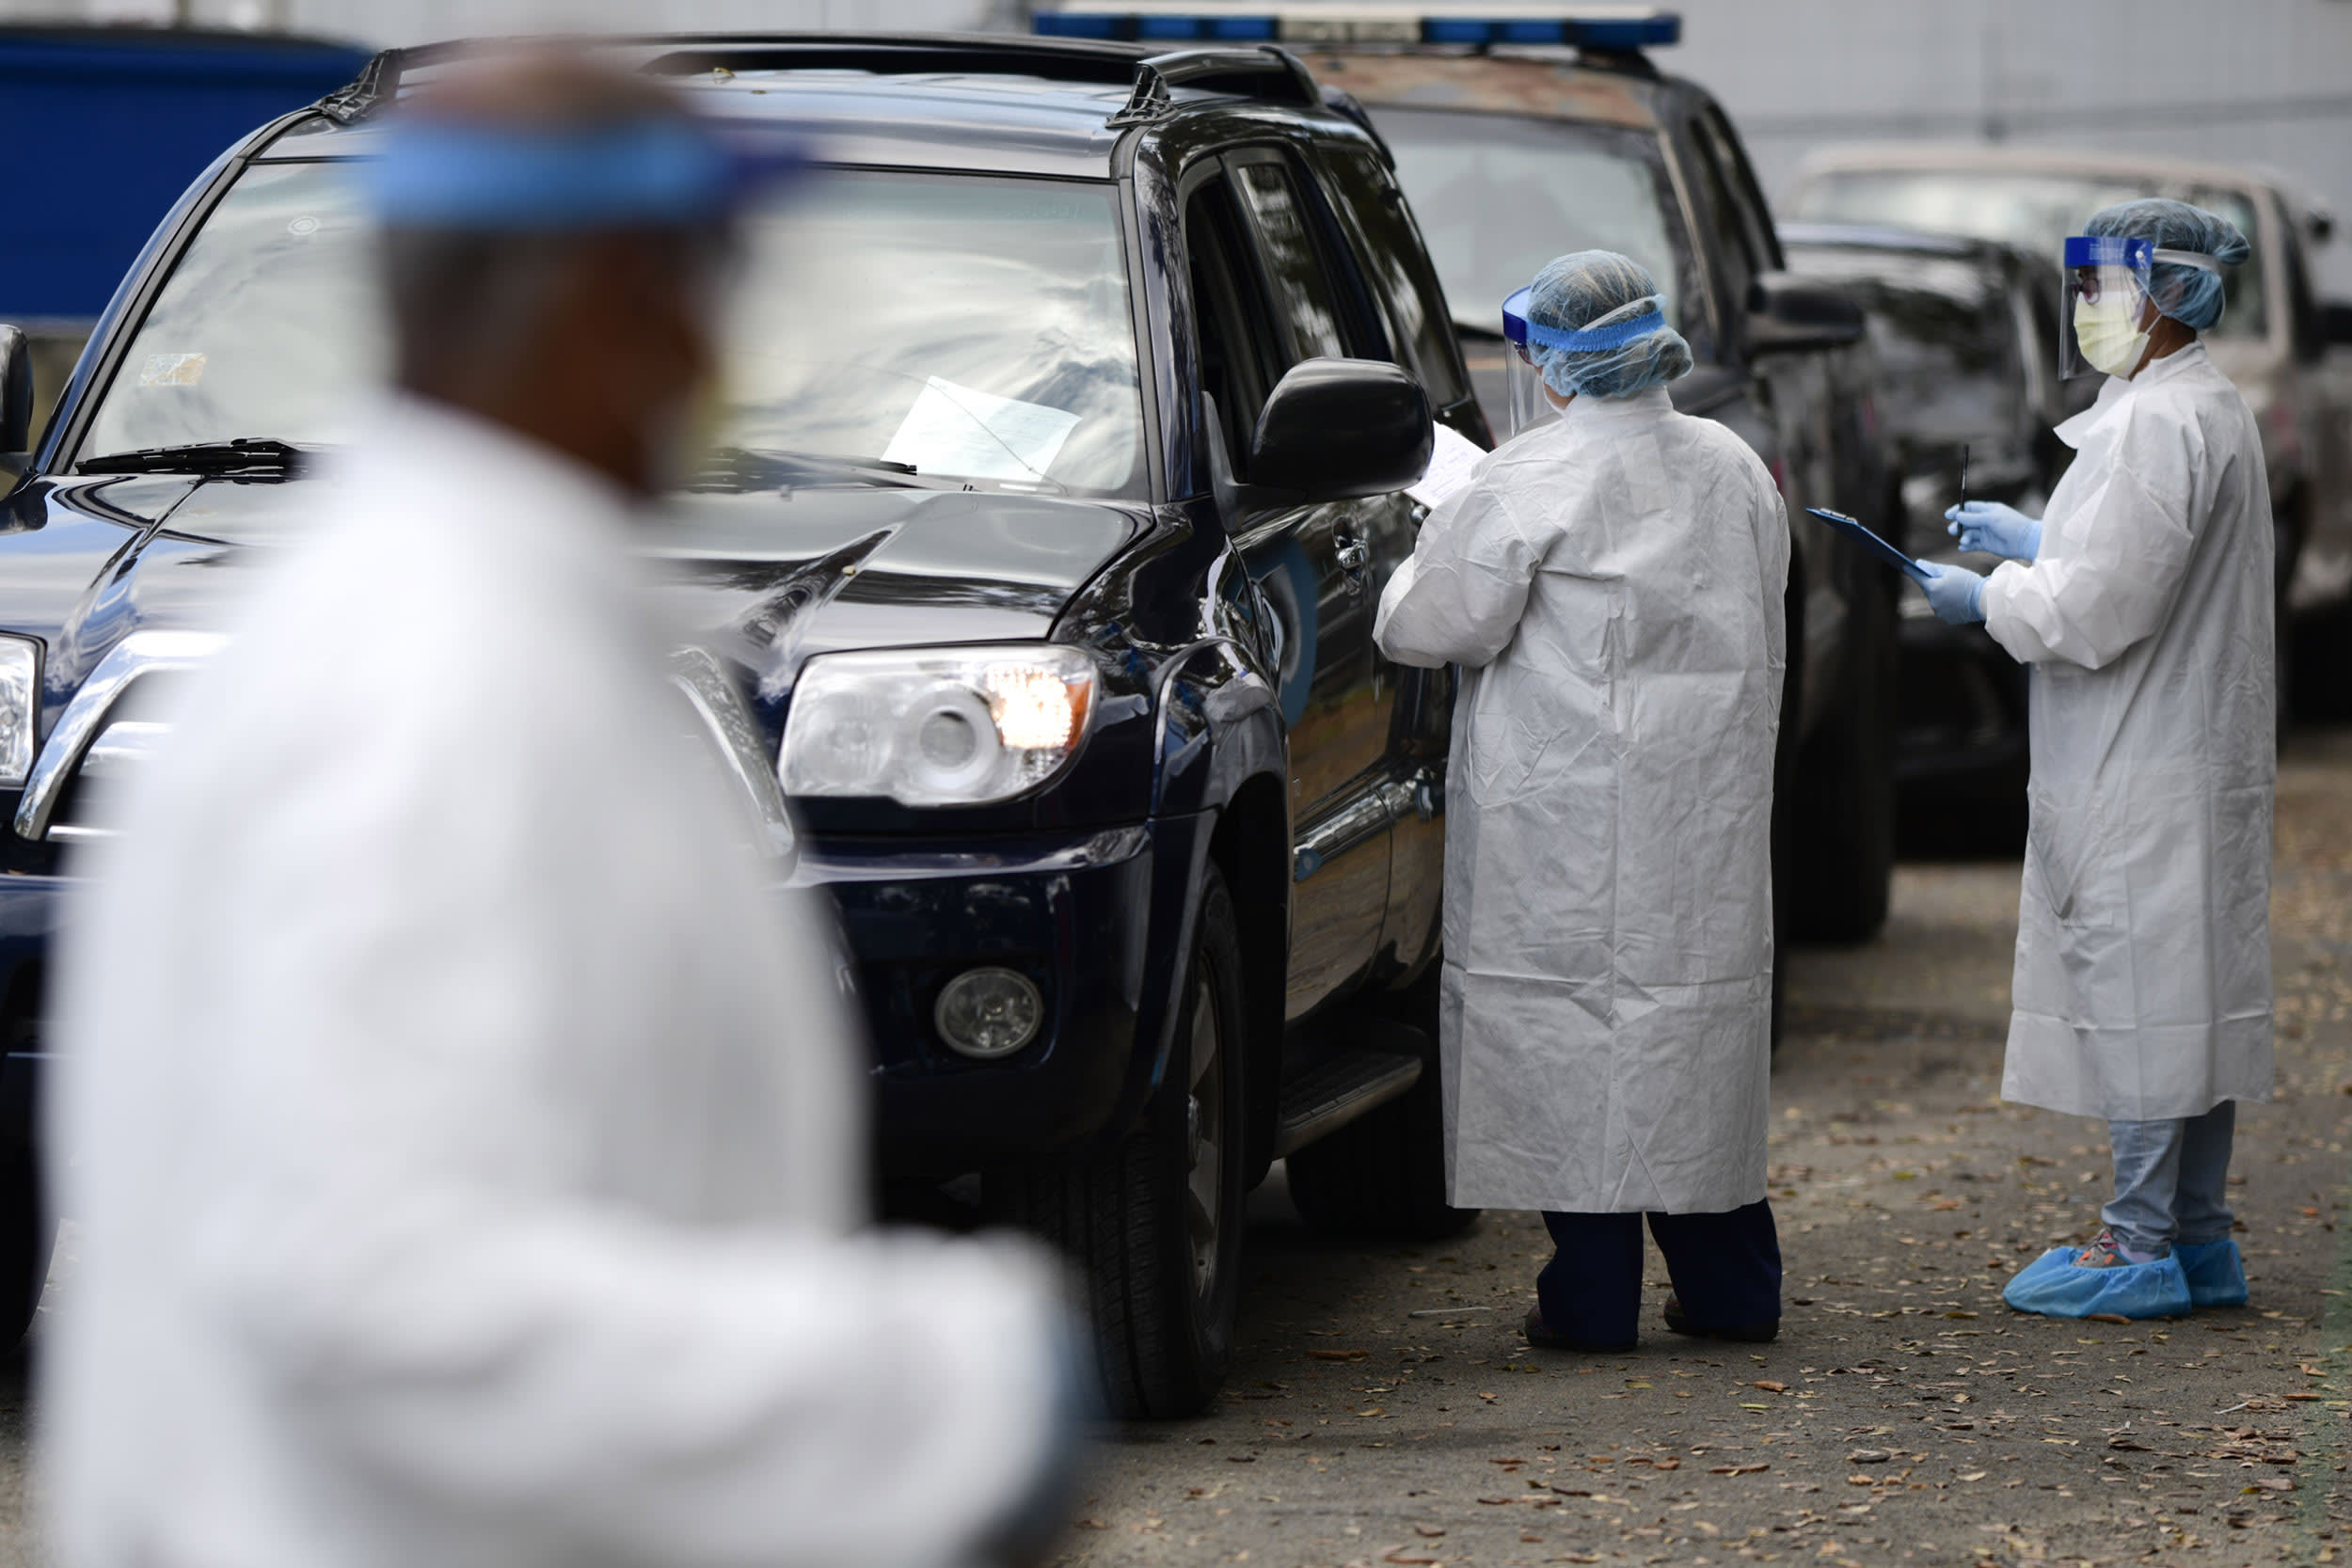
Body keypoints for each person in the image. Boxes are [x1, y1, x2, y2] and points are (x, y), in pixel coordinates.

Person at [43, 51, 1079, 1568]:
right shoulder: (439, 679)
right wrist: (929, 1395)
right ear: (607, 302)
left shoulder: (440, 624)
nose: (715, 346)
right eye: (700, 286)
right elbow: (370, 1280)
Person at [1374, 251, 1789, 1351]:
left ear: (1556, 359)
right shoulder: (1735, 467)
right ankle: (1733, 1287)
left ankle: (1590, 1299)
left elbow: (1430, 627)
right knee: (1691, 1033)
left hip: (1553, 820)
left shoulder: (1518, 482)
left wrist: (1420, 547)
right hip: (1698, 817)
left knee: (1569, 1039)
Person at [1920, 198, 2272, 1321]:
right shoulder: (2195, 405)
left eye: (2099, 288)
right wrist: (2042, 537)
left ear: (2164, 295)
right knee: (2188, 998)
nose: (2084, 310)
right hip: (2184, 752)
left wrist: (1993, 595)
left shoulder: (2151, 424)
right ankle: (2200, 1238)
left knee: (2142, 1000)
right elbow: (2133, 557)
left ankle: (2138, 1244)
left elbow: (2098, 607)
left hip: (2142, 757)